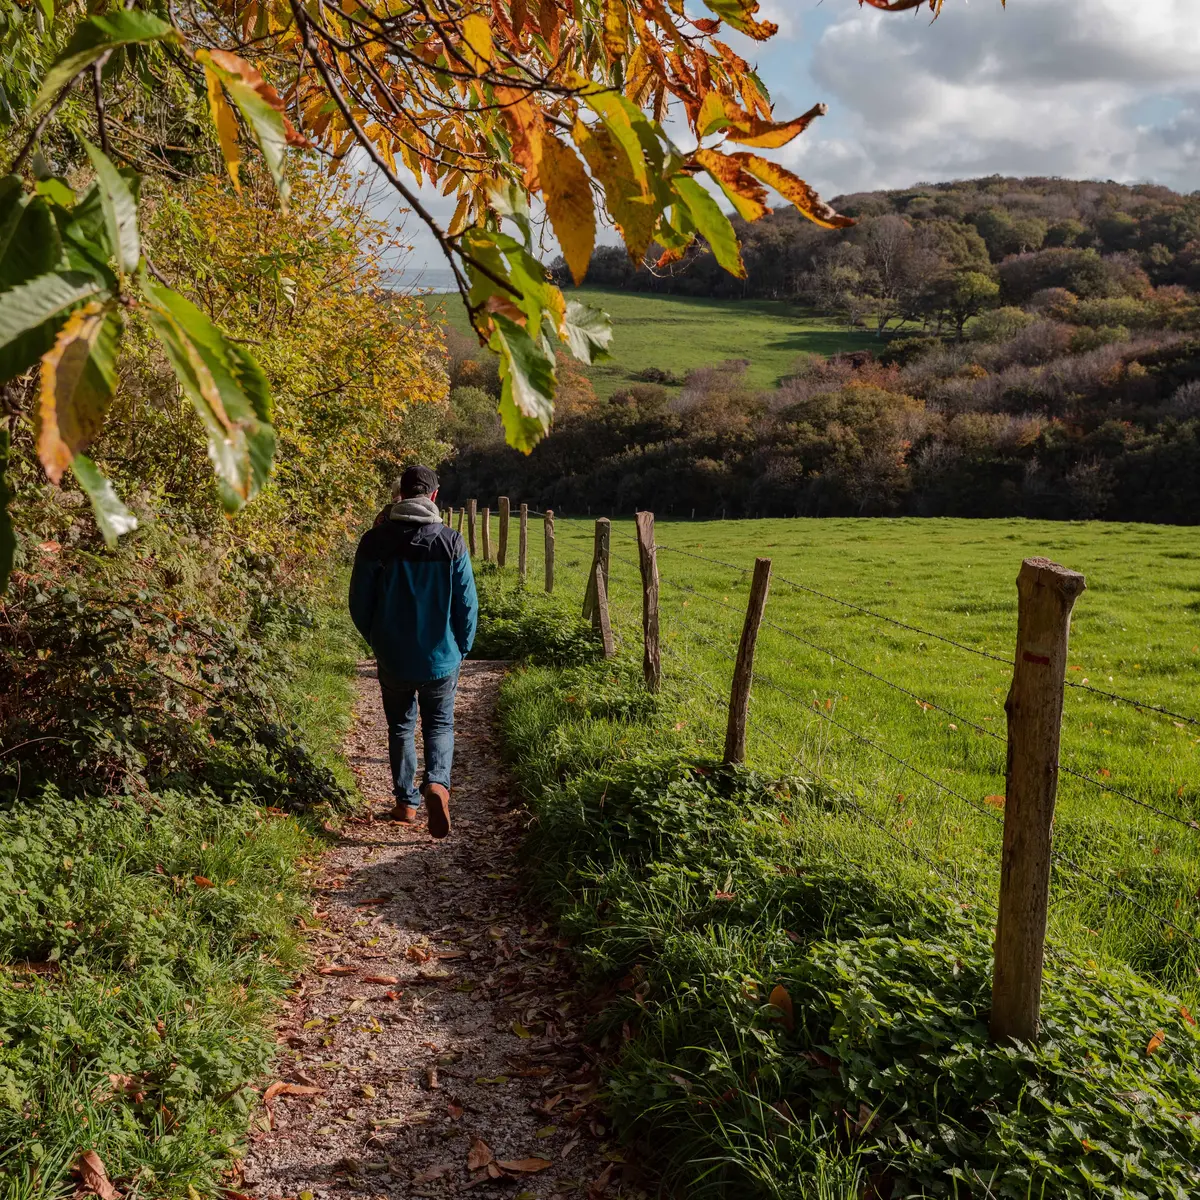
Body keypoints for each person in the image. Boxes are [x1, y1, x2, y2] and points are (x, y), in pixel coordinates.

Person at [349, 465, 477, 838]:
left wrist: (377, 640)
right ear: (434, 497)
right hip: (442, 657)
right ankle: (437, 783)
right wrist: (462, 647)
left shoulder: (374, 541)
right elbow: (467, 605)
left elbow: (359, 602)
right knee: (439, 723)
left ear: (400, 495)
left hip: (393, 656)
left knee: (401, 726)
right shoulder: (451, 541)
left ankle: (406, 803)